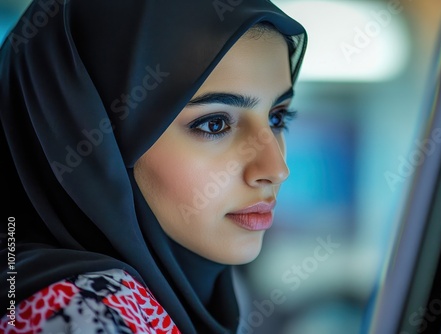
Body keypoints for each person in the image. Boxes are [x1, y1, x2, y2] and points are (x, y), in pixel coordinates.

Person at [0, 0, 307, 333]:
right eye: (215, 124)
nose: (276, 169)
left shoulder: (178, 296)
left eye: (277, 117)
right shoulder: (83, 312)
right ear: (88, 135)